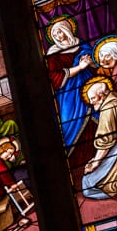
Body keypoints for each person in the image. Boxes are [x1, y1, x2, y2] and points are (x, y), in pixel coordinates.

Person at [45, 17, 95, 171]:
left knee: (99, 115)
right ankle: (76, 166)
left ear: (67, 29)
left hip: (90, 85)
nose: (58, 36)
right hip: (68, 94)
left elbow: (95, 63)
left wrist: (89, 62)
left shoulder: (81, 44)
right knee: (71, 124)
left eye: (60, 31)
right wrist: (79, 67)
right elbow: (55, 77)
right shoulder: (53, 53)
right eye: (55, 34)